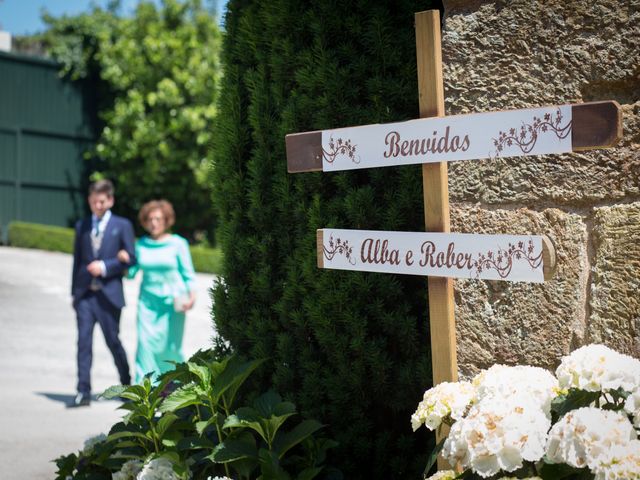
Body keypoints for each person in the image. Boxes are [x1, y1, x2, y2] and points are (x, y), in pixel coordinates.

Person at [70, 179, 136, 407]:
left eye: (101, 201)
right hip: (86, 296)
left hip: (109, 295)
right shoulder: (82, 226)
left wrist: (107, 266)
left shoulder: (123, 225)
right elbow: (77, 261)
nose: (97, 205)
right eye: (93, 201)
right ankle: (83, 391)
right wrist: (74, 294)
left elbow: (131, 258)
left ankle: (127, 385)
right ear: (89, 201)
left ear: (110, 201)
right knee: (83, 343)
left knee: (113, 341)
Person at [118, 200, 196, 383]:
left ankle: (175, 388)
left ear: (166, 220)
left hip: (174, 302)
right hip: (148, 303)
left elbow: (188, 274)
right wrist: (125, 261)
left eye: (158, 219)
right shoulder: (141, 244)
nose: (154, 223)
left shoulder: (178, 244)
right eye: (150, 219)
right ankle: (145, 391)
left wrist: (192, 296)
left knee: (171, 348)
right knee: (145, 346)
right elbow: (131, 273)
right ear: (145, 222)